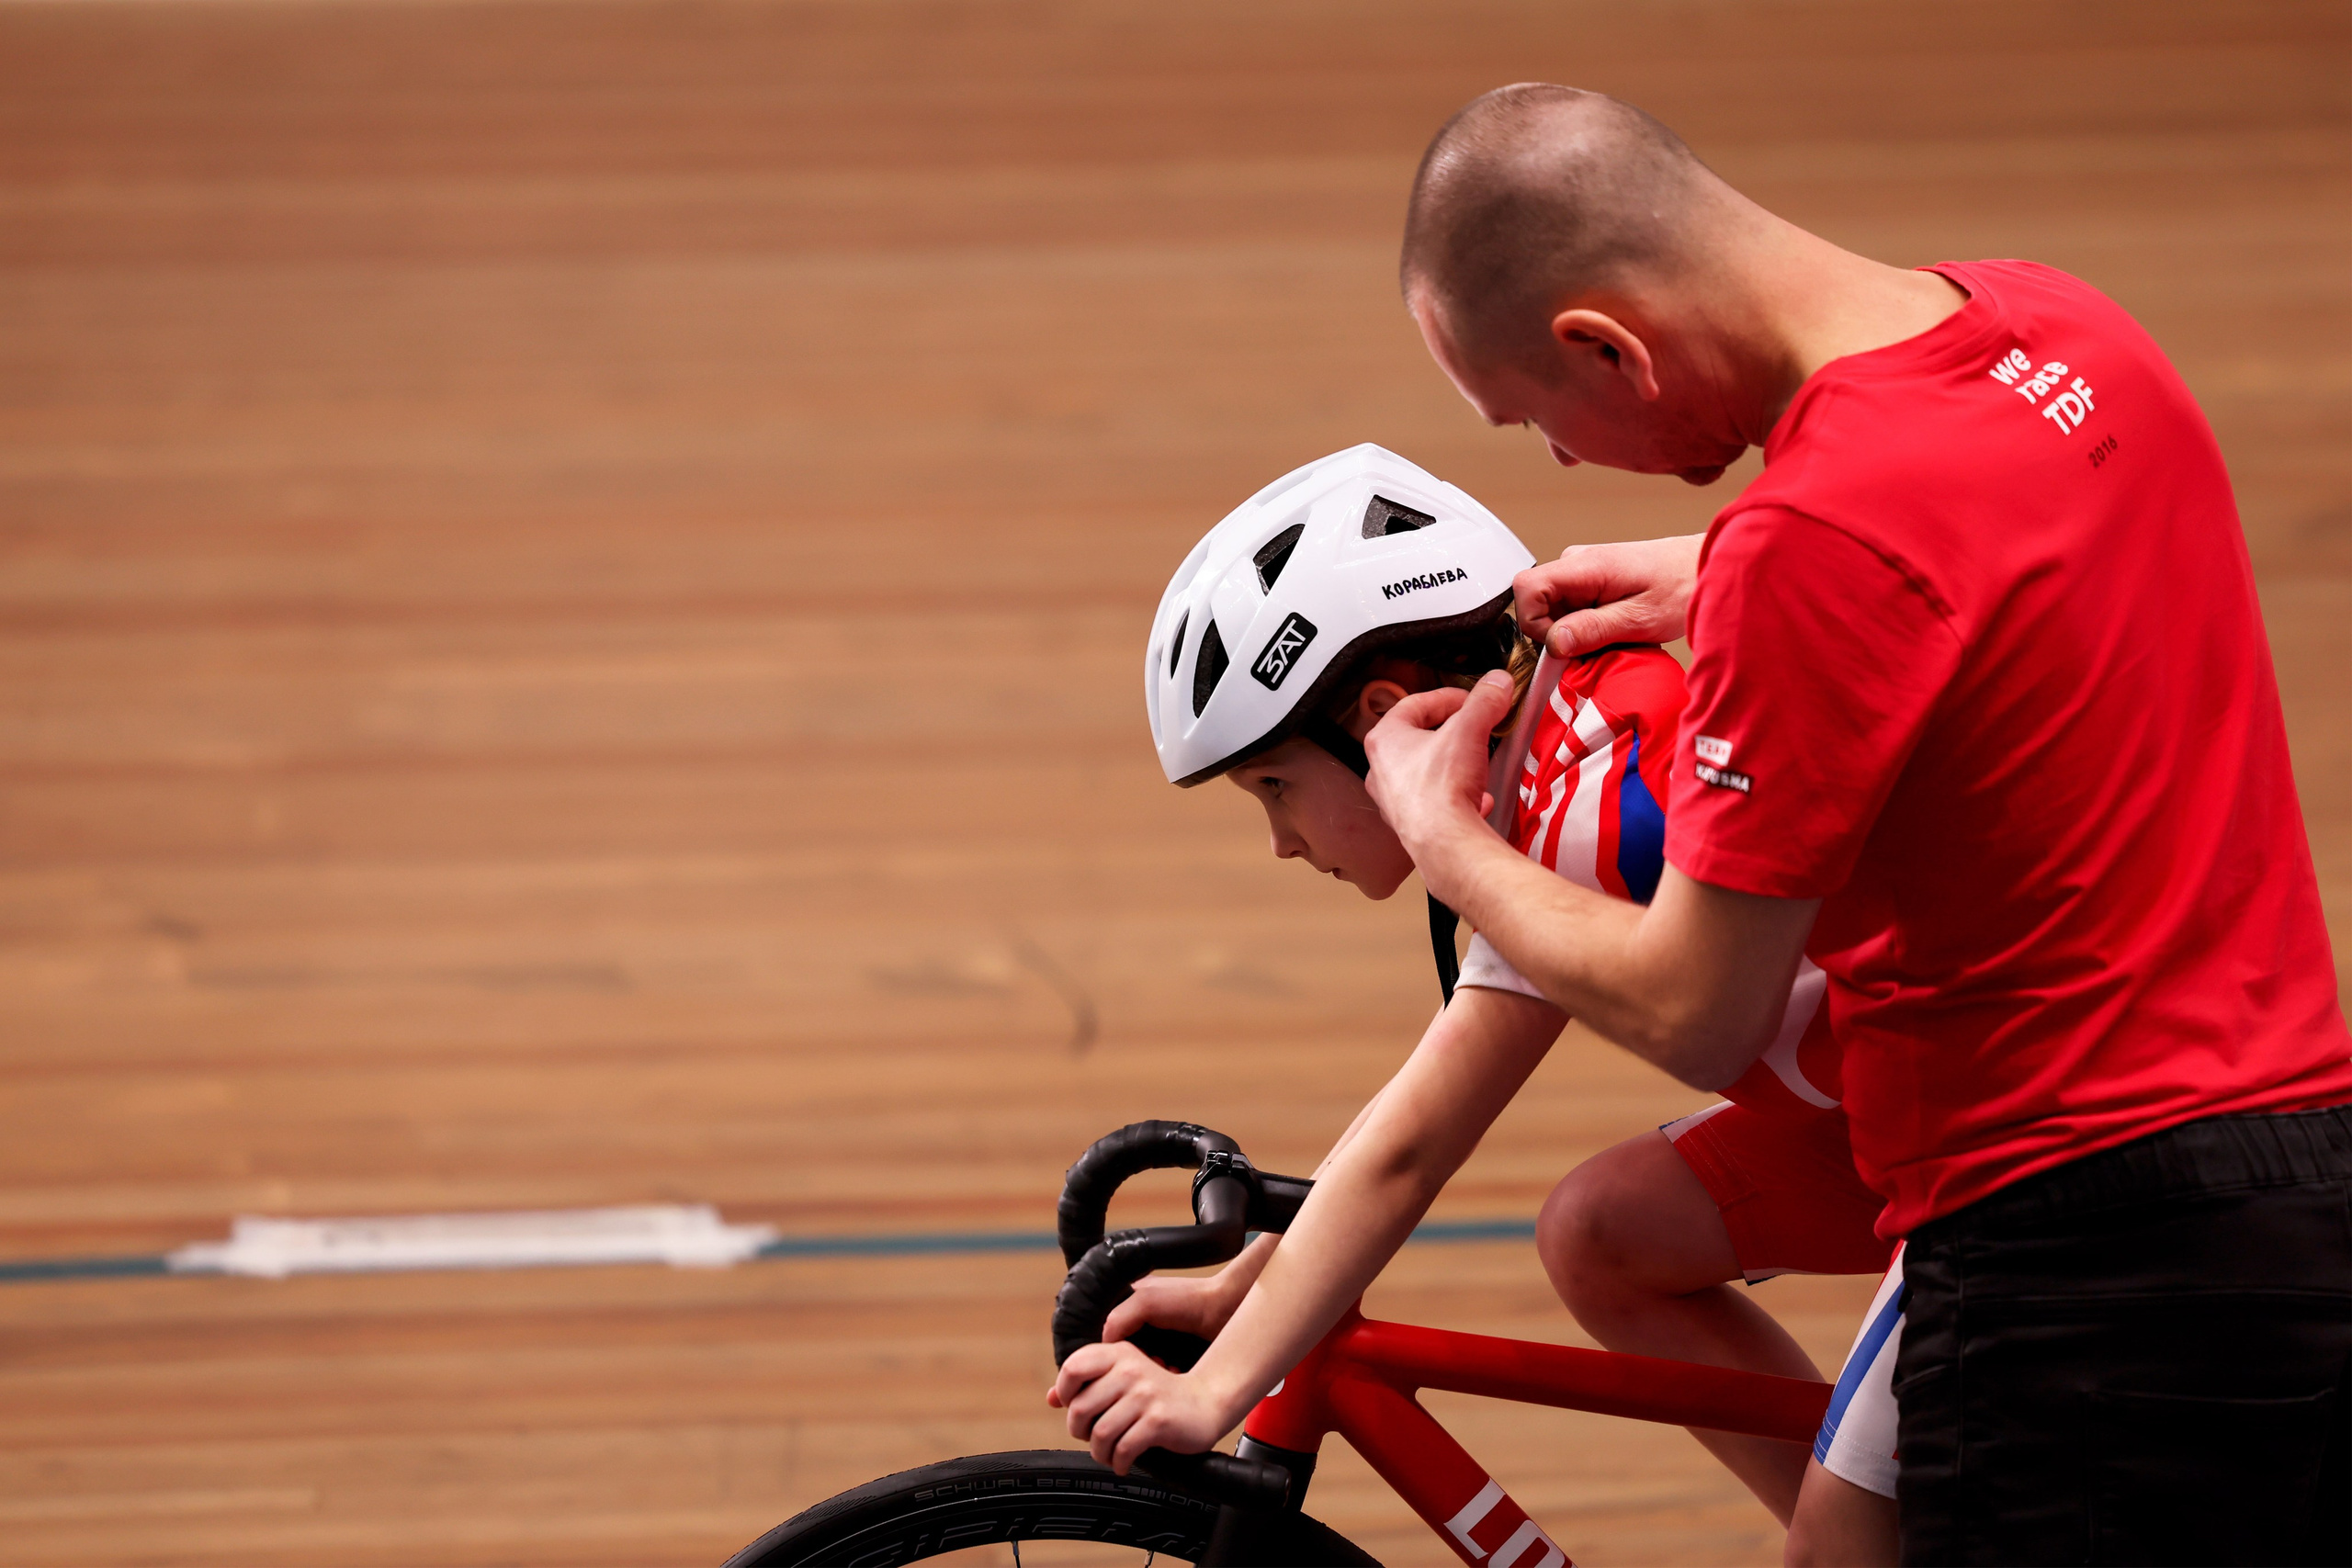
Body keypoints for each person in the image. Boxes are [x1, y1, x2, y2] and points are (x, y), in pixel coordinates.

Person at [1356, 86, 2351, 1563]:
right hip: (2294, 1168)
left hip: (2069, 1263)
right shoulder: (2068, 328)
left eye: (1534, 418)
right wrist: (1731, 563)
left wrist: (1451, 842)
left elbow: (1698, 1007)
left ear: (1604, 346)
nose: (1556, 462)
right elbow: (1992, 543)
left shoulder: (1816, 544)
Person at [1059, 440, 1903, 1562]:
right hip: (1883, 1117)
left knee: (1836, 1562)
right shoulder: (1540, 763)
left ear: (1380, 718)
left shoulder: (1606, 795)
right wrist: (1258, 1293)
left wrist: (1216, 1388)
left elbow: (1416, 1148)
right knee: (1602, 1235)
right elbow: (1413, 1110)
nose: (1277, 841)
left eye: (1273, 787)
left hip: (2005, 1154)